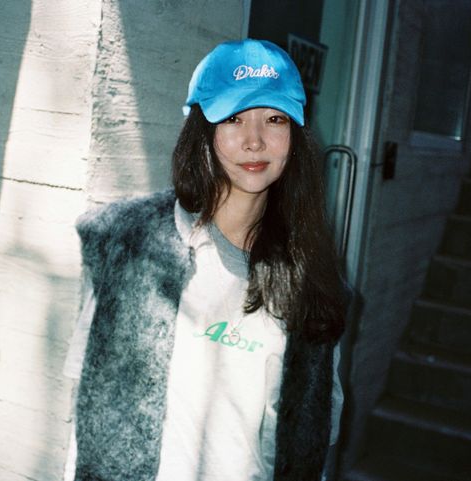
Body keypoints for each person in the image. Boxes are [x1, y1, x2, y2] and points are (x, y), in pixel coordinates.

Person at [63, 38, 346, 481]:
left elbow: (315, 430)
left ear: (296, 136)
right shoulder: (130, 242)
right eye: (233, 118)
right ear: (202, 131)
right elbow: (88, 397)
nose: (254, 141)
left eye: (274, 119)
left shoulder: (310, 276)